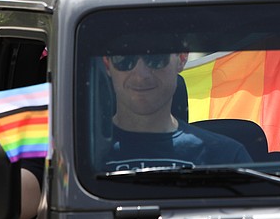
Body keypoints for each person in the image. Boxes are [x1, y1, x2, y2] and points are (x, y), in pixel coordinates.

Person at [100, 51, 252, 169]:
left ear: (182, 58)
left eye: (156, 58)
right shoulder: (79, 159)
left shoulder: (227, 158)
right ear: (107, 64)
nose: (141, 75)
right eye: (124, 59)